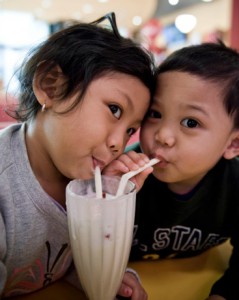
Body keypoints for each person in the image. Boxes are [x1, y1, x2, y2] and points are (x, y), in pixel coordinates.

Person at [0, 12, 156, 299]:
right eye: (114, 109)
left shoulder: (86, 179)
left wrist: (104, 208)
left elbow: (65, 262)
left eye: (130, 130)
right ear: (51, 86)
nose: (118, 144)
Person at [105, 41, 239, 300]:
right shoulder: (119, 174)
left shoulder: (234, 187)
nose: (163, 136)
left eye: (191, 122)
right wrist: (110, 198)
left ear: (233, 143)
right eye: (155, 113)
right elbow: (81, 244)